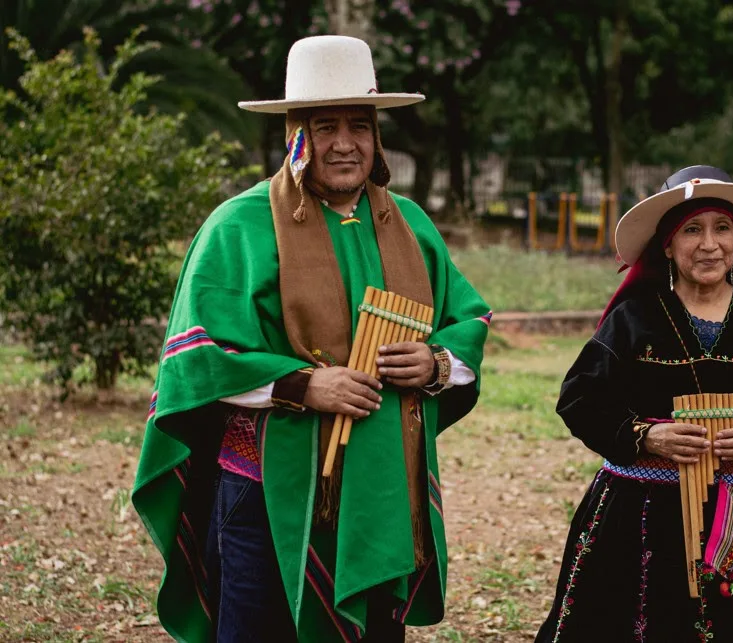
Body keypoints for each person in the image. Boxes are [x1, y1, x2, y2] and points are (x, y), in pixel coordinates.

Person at [131, 35, 491, 643]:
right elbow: (196, 359)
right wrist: (301, 384)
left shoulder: (409, 225)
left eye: (360, 125)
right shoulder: (238, 227)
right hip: (267, 494)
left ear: (377, 136)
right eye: (326, 126)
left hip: (381, 495)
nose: (345, 143)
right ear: (296, 133)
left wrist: (434, 364)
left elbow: (470, 320)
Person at [535, 165, 733, 642]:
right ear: (668, 245)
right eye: (691, 230)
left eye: (722, 229)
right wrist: (645, 435)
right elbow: (579, 398)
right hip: (637, 518)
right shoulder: (633, 320)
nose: (709, 244)